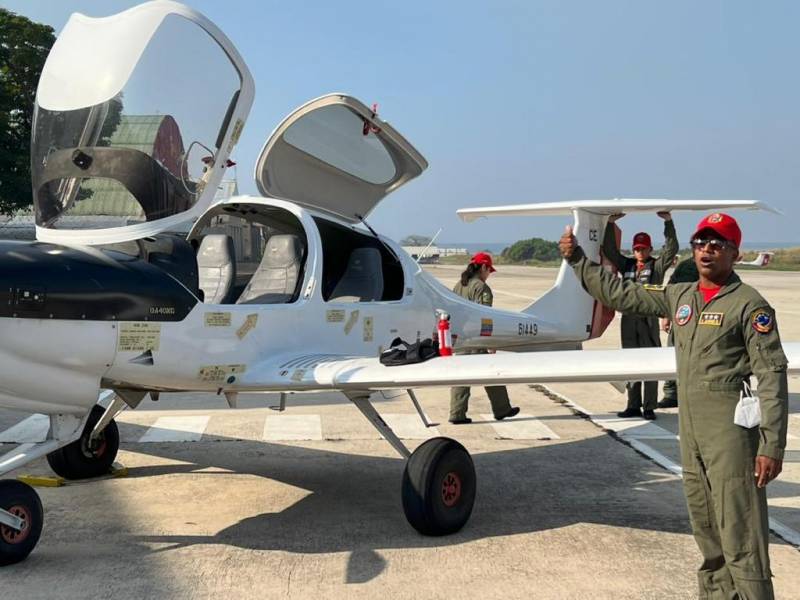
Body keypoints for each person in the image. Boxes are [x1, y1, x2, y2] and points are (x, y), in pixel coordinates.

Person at [560, 212, 788, 599]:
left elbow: (771, 375)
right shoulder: (680, 295)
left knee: (741, 533)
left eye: (717, 245)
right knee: (707, 531)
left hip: (730, 432)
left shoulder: (750, 305)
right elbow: (621, 293)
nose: (706, 251)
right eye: (701, 243)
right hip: (692, 430)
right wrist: (578, 260)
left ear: (734, 253)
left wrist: (771, 444)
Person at [601, 211, 678, 419]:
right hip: (628, 319)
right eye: (636, 249)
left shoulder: (656, 266)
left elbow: (672, 250)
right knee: (630, 361)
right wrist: (610, 223)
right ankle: (633, 405)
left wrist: (668, 223)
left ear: (650, 249)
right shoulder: (626, 265)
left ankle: (649, 406)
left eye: (643, 249)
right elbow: (608, 250)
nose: (640, 252)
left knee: (650, 362)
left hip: (648, 318)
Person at [449, 252, 520, 424]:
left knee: (464, 375)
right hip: (476, 338)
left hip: (461, 337)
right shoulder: (481, 287)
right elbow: (486, 316)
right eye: (489, 270)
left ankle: (459, 413)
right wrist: (490, 340)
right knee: (489, 372)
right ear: (483, 268)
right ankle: (500, 409)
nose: (489, 274)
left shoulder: (459, 285)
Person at [658, 257, 700, 408]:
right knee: (672, 353)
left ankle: (693, 394)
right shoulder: (684, 266)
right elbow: (670, 290)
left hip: (699, 318)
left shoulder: (714, 266)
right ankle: (671, 394)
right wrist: (666, 316)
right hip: (680, 315)